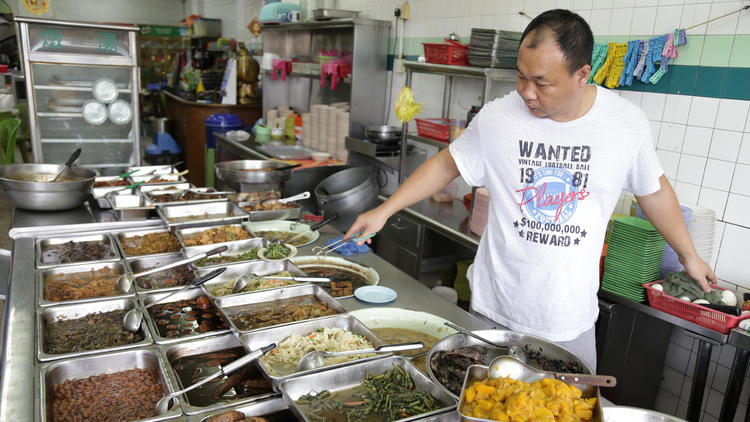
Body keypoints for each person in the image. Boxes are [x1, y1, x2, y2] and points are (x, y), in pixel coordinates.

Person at [344, 9, 716, 371]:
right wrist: (384, 210)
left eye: (542, 82)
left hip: (567, 321)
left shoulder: (623, 124)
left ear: (581, 74)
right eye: (520, 77)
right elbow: (446, 164)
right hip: (493, 310)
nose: (526, 92)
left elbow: (654, 192)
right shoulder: (498, 117)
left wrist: (689, 257)